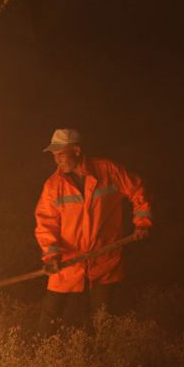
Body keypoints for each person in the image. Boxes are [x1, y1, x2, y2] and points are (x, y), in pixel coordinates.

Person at [34, 128, 152, 334]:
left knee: (103, 317)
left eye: (61, 154)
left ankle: (103, 358)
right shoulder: (53, 186)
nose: (57, 160)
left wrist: (142, 223)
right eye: (54, 155)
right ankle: (37, 356)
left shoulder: (108, 171)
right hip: (67, 263)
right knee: (51, 315)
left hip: (105, 260)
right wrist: (51, 255)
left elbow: (137, 190)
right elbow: (45, 223)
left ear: (77, 150)